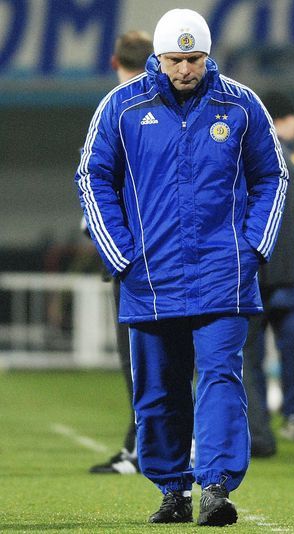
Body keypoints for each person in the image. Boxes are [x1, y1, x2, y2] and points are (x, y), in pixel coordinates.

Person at [75, 8, 288, 527]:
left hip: (223, 273)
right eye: (175, 60)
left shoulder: (241, 104)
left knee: (221, 378)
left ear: (208, 55)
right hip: (149, 276)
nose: (186, 69)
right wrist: (121, 254)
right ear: (158, 57)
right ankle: (172, 489)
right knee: (158, 391)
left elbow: (273, 177)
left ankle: (215, 487)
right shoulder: (122, 106)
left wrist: (253, 248)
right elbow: (92, 177)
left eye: (195, 59)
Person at [87, 30, 153, 475]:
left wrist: (115, 251)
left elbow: (95, 181)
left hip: (131, 255)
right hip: (176, 251)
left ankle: (151, 446)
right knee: (186, 358)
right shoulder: (176, 107)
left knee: (138, 356)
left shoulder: (114, 109)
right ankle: (149, 443)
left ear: (114, 62)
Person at [243, 91, 294, 450]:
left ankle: (259, 431)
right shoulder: (286, 162)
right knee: (283, 351)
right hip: (283, 272)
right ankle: (284, 420)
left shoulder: (249, 156)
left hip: (258, 273)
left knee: (247, 355)